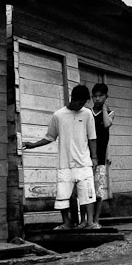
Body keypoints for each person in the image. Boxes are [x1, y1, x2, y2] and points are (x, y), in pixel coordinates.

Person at [22, 85, 98, 229]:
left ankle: (90, 223)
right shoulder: (58, 115)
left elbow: (92, 137)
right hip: (65, 163)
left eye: (83, 103)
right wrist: (33, 145)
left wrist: (94, 158)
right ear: (72, 99)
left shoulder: (87, 114)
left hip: (83, 161)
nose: (80, 106)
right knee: (63, 195)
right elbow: (50, 136)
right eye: (79, 102)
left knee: (88, 193)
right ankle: (66, 223)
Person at [81, 82, 114, 227]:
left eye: (101, 96)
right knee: (83, 189)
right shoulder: (87, 112)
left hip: (100, 157)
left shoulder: (109, 113)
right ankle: (83, 220)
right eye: (95, 96)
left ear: (106, 97)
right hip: (85, 155)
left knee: (99, 191)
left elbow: (106, 124)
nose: (97, 99)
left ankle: (96, 220)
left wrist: (105, 109)